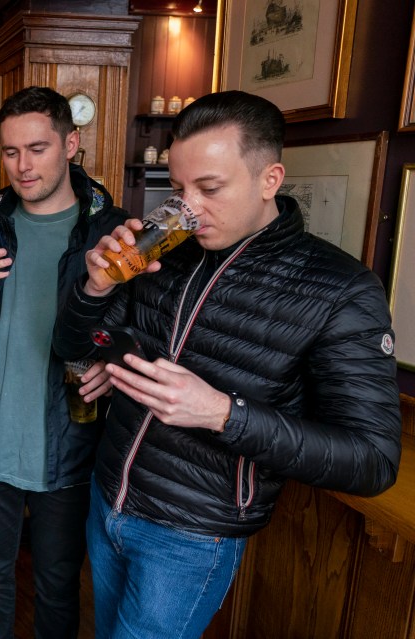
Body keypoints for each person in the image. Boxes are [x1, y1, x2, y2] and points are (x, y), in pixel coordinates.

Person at [52, 90, 402, 638]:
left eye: (209, 189)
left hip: (192, 536)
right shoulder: (164, 255)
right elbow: (74, 342)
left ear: (270, 179)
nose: (188, 209)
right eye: (180, 188)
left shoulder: (342, 290)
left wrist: (222, 413)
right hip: (108, 498)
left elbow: (372, 460)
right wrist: (95, 286)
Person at [0, 86, 130, 638]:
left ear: (71, 144)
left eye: (37, 148)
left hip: (70, 441)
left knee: (59, 582)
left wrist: (113, 363)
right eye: (12, 151)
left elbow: (138, 324)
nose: (22, 166)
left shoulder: (110, 231)